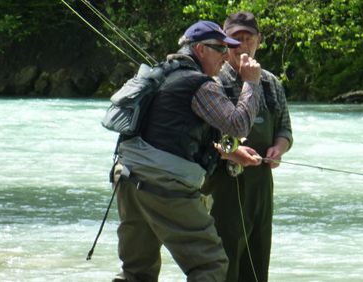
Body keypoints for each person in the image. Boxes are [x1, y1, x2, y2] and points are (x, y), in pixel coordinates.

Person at [111, 20, 265, 282]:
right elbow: (239, 124)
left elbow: (169, 136)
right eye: (220, 49)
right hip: (163, 185)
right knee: (211, 265)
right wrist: (251, 82)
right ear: (201, 50)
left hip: (126, 179)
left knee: (137, 272)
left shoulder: (161, 73)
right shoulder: (199, 84)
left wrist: (229, 153)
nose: (226, 56)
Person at [200, 11, 293, 282]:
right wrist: (233, 153)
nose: (242, 45)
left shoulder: (271, 82)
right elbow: (206, 136)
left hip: (262, 184)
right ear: (225, 42)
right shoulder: (214, 80)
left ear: (258, 41)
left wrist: (279, 147)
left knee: (258, 259)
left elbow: (284, 128)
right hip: (223, 183)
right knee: (223, 262)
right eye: (235, 39)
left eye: (248, 38)